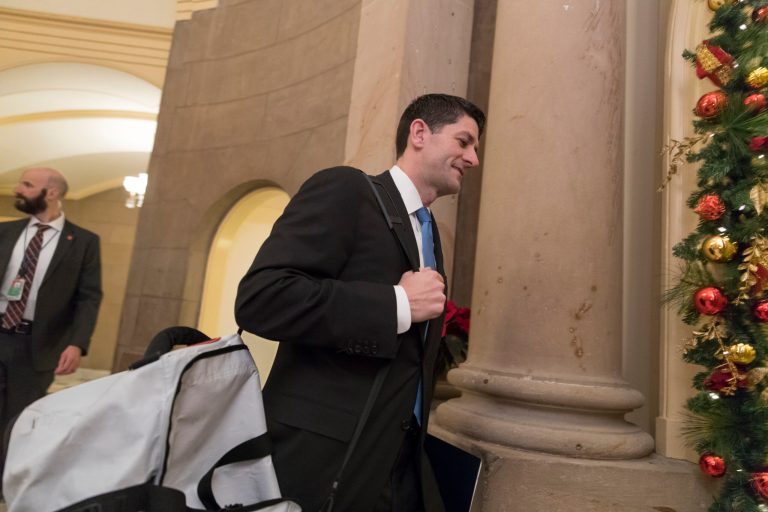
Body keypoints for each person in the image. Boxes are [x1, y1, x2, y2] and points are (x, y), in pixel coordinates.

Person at [235, 94, 485, 512]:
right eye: (464, 142)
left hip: (398, 460)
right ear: (419, 133)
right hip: (323, 462)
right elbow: (262, 297)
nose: (474, 159)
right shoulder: (347, 190)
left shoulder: (428, 232)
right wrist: (396, 304)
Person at [0, 168, 102, 451]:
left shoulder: (84, 242)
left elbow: (89, 297)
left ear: (52, 193)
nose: (18, 189)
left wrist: (77, 343)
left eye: (27, 184)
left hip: (37, 347)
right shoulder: (5, 232)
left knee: (18, 423)